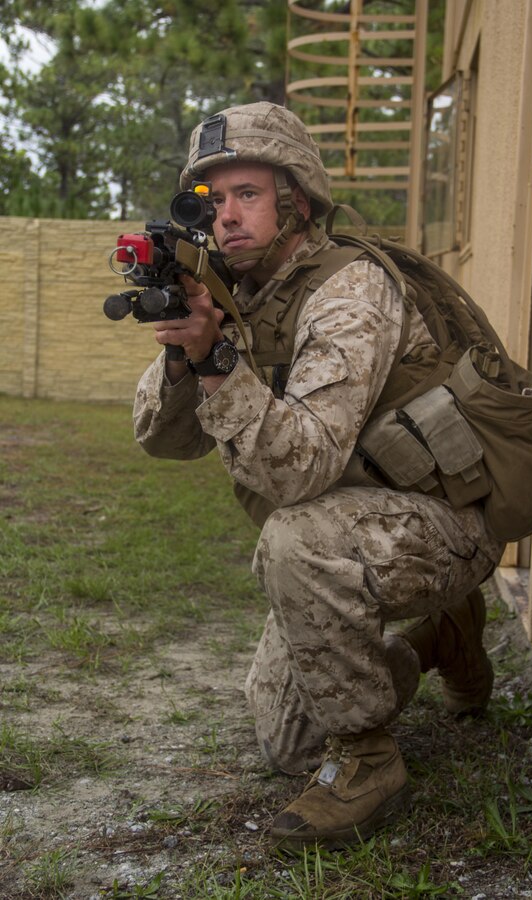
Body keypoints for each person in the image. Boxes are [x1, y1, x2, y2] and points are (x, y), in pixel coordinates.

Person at [133, 101, 505, 850]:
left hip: (446, 518)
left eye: (248, 194)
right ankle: (442, 643)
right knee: (288, 742)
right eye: (212, 199)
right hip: (355, 518)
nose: (228, 216)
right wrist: (186, 351)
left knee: (294, 539)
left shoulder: (351, 289)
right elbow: (160, 439)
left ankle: (369, 762)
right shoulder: (240, 297)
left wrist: (215, 360)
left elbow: (299, 470)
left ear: (296, 200)